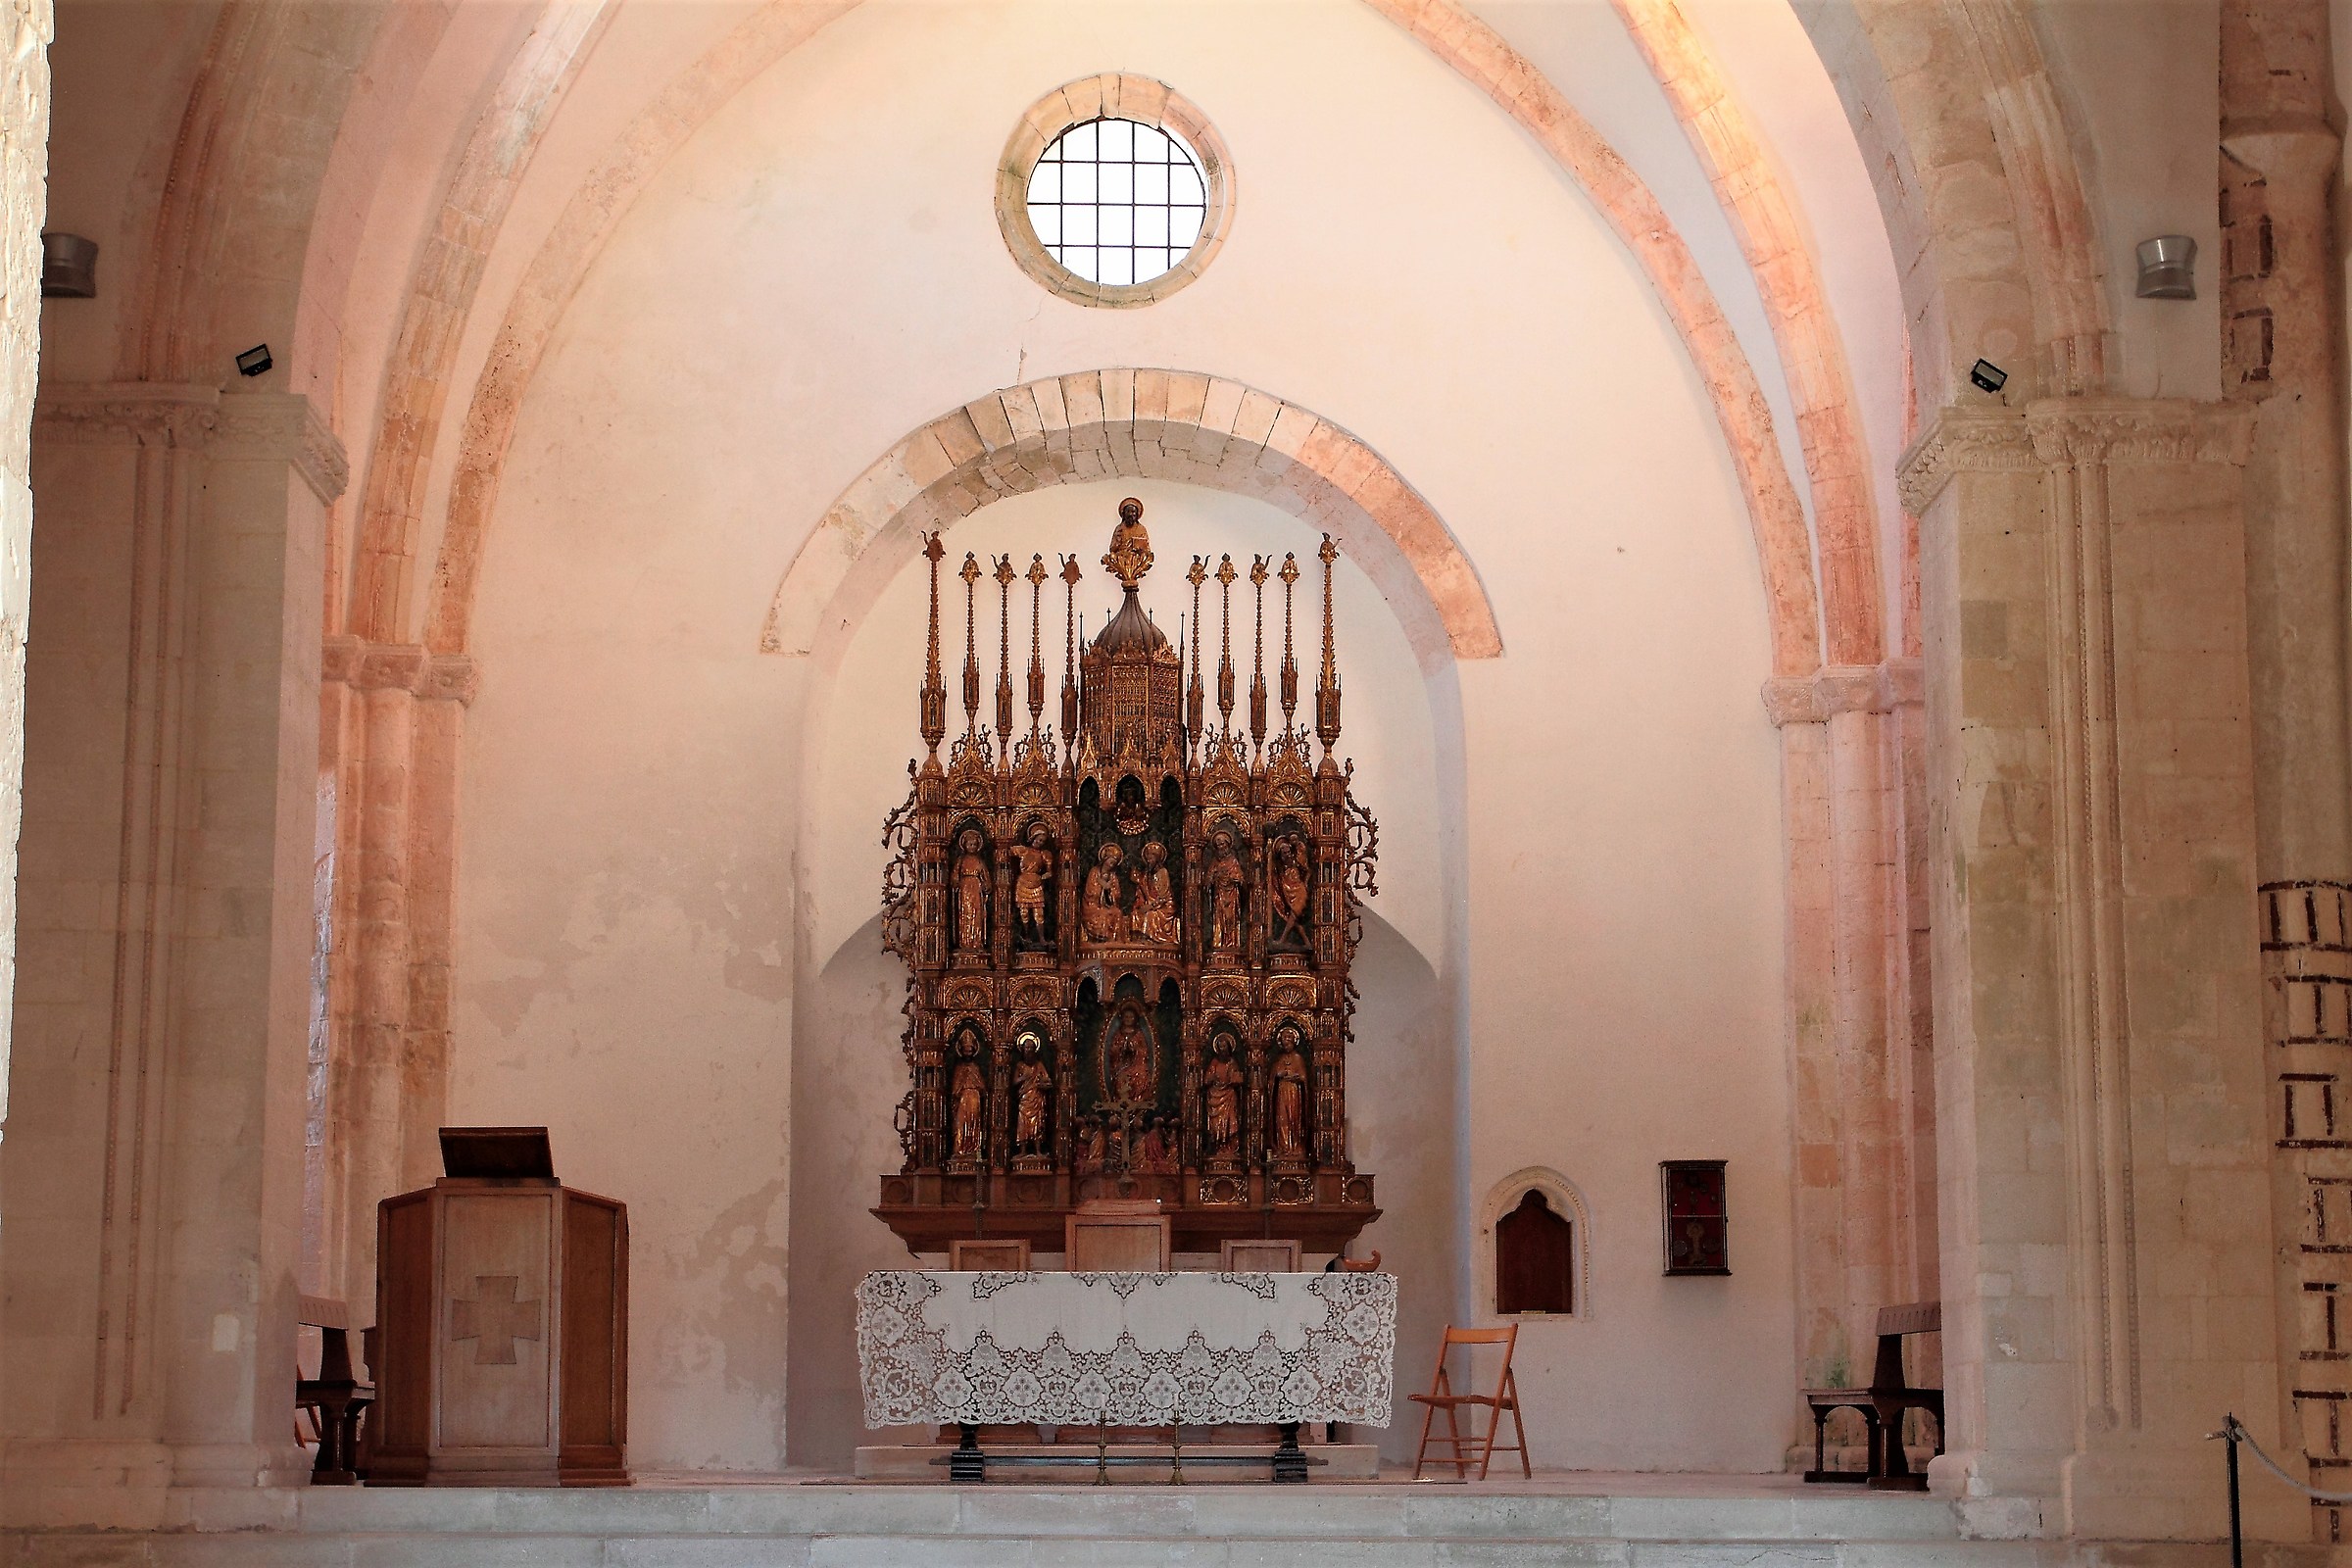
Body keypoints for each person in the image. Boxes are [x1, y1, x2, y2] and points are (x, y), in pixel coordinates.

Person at [1009, 822, 1055, 945]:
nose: (1039, 843)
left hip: (1036, 883)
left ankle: (1041, 938)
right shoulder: (1023, 850)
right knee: (1024, 912)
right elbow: (1007, 851)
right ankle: (1026, 936)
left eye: (1042, 841)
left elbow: (1050, 872)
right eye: (1038, 839)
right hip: (1023, 883)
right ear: (1033, 838)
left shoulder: (1045, 854)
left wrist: (1041, 877)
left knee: (1038, 912)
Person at [1202, 1035, 1244, 1156]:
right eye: (1220, 1046)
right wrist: (1212, 1078)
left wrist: (1233, 1079)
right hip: (1215, 1094)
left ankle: (1229, 1147)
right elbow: (1206, 1079)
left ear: (1229, 1047)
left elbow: (1237, 1078)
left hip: (1229, 1095)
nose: (1222, 1049)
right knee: (1216, 1125)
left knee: (1230, 1121)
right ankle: (1217, 1147)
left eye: (1224, 1046)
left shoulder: (1232, 1063)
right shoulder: (1214, 1062)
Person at [1270, 1028, 1308, 1158]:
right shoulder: (1279, 1059)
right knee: (1282, 1119)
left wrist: (1291, 1075)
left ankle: (1295, 1147)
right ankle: (1283, 1147)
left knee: (1293, 1118)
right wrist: (1277, 1075)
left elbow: (1303, 1077)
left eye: (1289, 1041)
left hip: (1294, 1092)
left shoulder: (1298, 1058)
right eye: (1284, 1042)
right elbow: (1273, 1077)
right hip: (1281, 1091)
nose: (1286, 1044)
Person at [1012, 1034, 1051, 1156]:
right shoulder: (1020, 1066)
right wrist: (1023, 1077)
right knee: (1023, 1124)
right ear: (1022, 1050)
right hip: (1025, 1099)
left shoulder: (1039, 1065)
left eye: (1031, 1048)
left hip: (1036, 1098)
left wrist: (1041, 1084)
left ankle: (1038, 1150)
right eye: (1026, 1048)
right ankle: (1023, 1150)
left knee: (1037, 1124)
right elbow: (1014, 1082)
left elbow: (1048, 1081)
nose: (1028, 1050)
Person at [1208, 829, 1246, 955]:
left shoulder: (1233, 861)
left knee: (1232, 919)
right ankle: (1219, 942)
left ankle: (1232, 944)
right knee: (1220, 919)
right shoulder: (1214, 862)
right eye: (1218, 845)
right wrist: (1214, 878)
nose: (1221, 847)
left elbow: (1240, 878)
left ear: (1228, 844)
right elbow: (1207, 881)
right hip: (1219, 895)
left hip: (1232, 895)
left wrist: (1234, 879)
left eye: (1223, 844)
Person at [1136, 841, 1180, 945]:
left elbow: (1163, 896)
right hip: (1151, 904)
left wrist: (1150, 906)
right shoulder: (1147, 874)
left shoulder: (1163, 873)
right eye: (1147, 859)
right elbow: (1143, 889)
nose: (1149, 861)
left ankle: (1151, 940)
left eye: (1151, 858)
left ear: (1157, 859)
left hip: (1165, 905)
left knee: (1150, 915)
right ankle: (1139, 939)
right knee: (1136, 914)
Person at [954, 829, 990, 953]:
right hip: (965, 888)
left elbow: (986, 877)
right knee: (965, 913)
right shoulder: (961, 860)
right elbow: (954, 875)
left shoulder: (980, 861)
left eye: (974, 844)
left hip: (976, 887)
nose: (972, 847)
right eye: (970, 844)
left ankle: (976, 942)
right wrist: (956, 883)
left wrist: (986, 885)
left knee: (977, 914)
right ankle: (965, 942)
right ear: (965, 845)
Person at [1082, 843, 1128, 943]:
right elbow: (1090, 892)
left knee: (1118, 913)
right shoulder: (1094, 872)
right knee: (1103, 914)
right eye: (1111, 860)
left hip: (1108, 905)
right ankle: (1101, 940)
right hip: (1093, 905)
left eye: (1115, 862)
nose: (1112, 863)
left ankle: (1114, 942)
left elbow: (1117, 894)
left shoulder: (1113, 877)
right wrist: (1101, 887)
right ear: (1105, 859)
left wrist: (1109, 890)